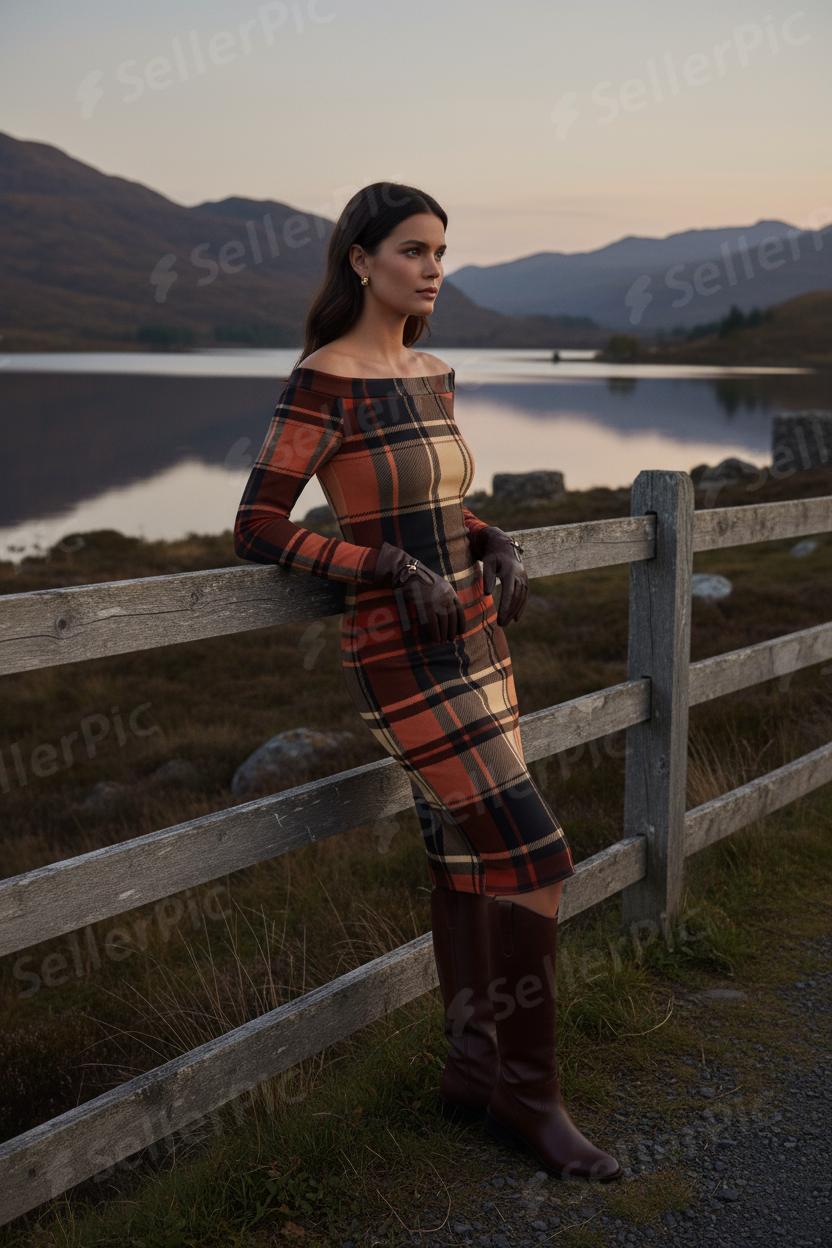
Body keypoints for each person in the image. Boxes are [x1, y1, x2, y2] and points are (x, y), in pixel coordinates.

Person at [233, 182, 620, 1183]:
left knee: (464, 858)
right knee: (533, 853)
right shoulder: (325, 381)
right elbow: (258, 524)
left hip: (480, 637)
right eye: (413, 250)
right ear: (360, 261)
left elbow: (441, 498)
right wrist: (383, 568)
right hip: (402, 652)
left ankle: (472, 1067)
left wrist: (497, 541)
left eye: (443, 251)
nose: (433, 269)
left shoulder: (432, 372)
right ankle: (532, 1102)